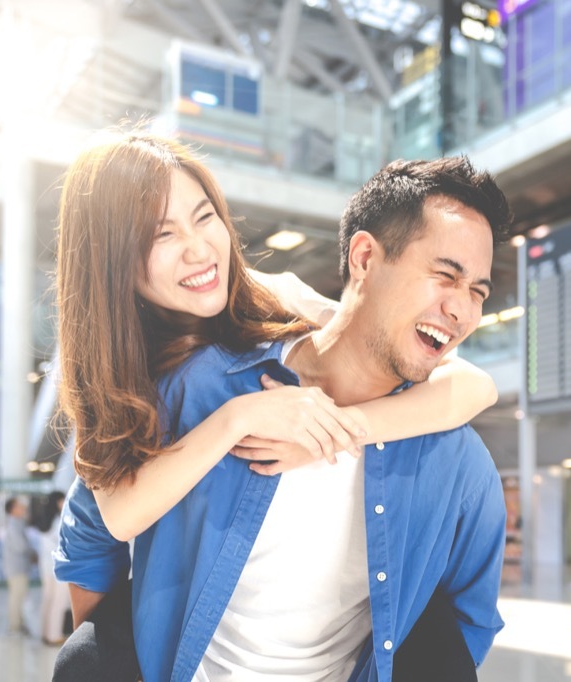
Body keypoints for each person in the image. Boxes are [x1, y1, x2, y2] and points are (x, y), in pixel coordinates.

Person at [52, 132, 507, 681]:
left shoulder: (269, 296)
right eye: (444, 274)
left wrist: (342, 428)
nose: (199, 249)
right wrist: (113, 658)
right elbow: (102, 520)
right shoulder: (176, 385)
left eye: (478, 291)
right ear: (364, 256)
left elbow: (464, 626)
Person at [38, 490, 72, 645]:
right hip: (59, 567)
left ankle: (45, 633)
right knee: (59, 601)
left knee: (48, 599)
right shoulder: (60, 520)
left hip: (45, 566)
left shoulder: (45, 521)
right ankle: (54, 635)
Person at [1, 496, 33, 635]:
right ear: (13, 509)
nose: (23, 508)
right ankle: (15, 625)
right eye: (20, 506)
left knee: (18, 596)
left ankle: (18, 623)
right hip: (17, 568)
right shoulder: (14, 524)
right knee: (17, 596)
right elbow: (20, 546)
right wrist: (32, 552)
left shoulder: (17, 523)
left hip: (17, 567)